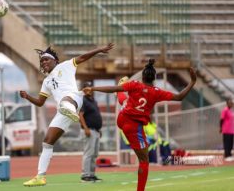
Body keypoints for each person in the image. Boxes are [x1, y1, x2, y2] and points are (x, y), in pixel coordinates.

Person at [83, 59, 196, 191]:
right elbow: (179, 97)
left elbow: (112, 88)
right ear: (154, 78)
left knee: (125, 100)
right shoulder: (156, 92)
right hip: (133, 126)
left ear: (142, 77)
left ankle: (120, 94)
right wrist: (192, 82)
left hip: (122, 118)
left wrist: (93, 88)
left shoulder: (135, 84)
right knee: (144, 160)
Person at [20, 43, 114, 186]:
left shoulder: (65, 65)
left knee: (65, 101)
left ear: (55, 60)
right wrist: (27, 96)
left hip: (74, 99)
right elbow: (40, 102)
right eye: (42, 61)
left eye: (46, 59)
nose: (44, 62)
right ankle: (40, 176)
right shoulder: (46, 82)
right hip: (63, 111)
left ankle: (69, 110)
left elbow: (83, 57)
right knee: (47, 141)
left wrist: (99, 50)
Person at [79, 81, 103, 182]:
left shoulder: (93, 100)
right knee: (88, 153)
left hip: (96, 130)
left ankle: (92, 174)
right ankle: (85, 175)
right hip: (89, 130)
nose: (89, 89)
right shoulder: (83, 100)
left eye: (90, 87)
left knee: (94, 154)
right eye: (87, 88)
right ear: (83, 90)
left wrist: (99, 129)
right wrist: (85, 128)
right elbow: (80, 115)